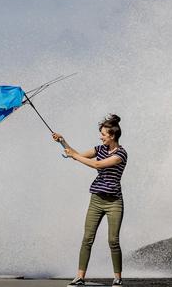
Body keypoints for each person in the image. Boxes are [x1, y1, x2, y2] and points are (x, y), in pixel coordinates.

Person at [53, 114, 127, 287]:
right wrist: (63, 142)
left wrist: (73, 155)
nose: (100, 137)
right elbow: (77, 155)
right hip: (96, 200)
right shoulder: (99, 149)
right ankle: (80, 277)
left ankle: (117, 277)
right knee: (87, 238)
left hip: (114, 202)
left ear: (112, 135)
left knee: (113, 241)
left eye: (103, 134)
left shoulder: (121, 154)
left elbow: (97, 165)